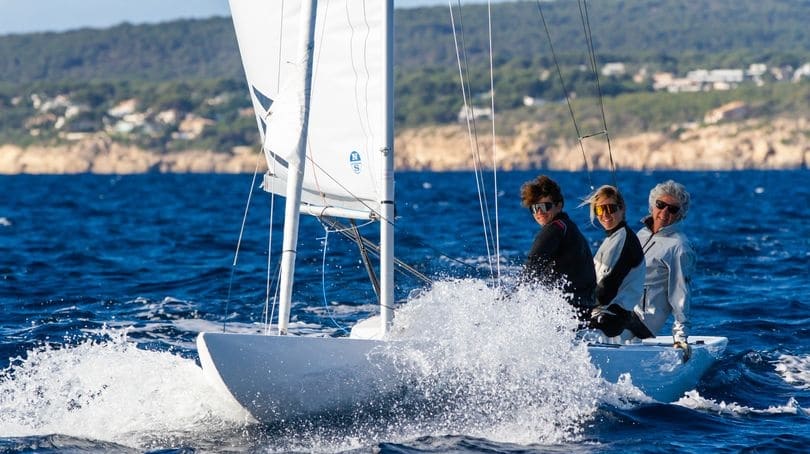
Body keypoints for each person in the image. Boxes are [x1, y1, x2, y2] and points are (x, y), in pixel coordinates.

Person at [521, 175, 596, 323]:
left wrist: (514, 298)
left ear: (559, 205)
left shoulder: (556, 229)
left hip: (570, 314)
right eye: (534, 208)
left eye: (545, 206)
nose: (539, 212)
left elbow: (532, 264)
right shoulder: (568, 227)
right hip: (582, 310)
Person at [636, 180, 696, 361]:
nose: (664, 212)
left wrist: (681, 338)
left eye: (673, 209)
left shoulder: (679, 246)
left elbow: (681, 295)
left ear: (681, 215)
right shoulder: (641, 234)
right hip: (619, 310)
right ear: (652, 205)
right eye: (660, 205)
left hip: (640, 323)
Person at [586, 185, 653, 341]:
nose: (606, 214)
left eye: (610, 208)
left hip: (609, 323)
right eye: (600, 210)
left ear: (622, 209)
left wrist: (575, 306)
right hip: (606, 316)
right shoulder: (613, 238)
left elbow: (605, 292)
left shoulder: (623, 240)